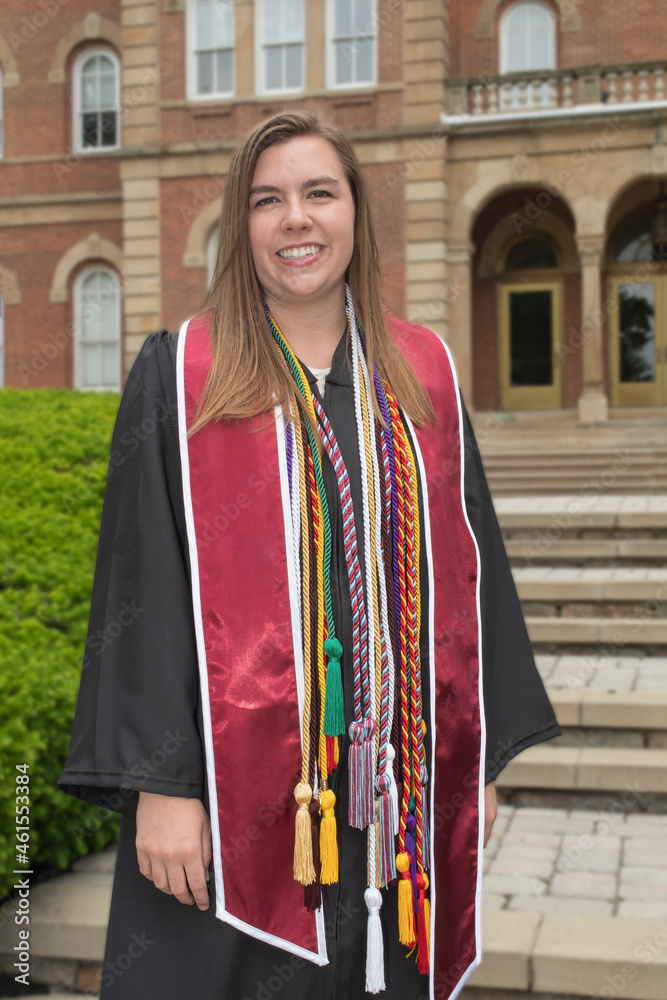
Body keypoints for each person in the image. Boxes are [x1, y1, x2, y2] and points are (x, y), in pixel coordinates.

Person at [57, 110, 561, 1000]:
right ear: (239, 227)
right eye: (267, 200)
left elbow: (470, 568)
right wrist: (162, 788)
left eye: (318, 194)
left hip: (391, 794)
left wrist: (469, 762)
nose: (296, 219)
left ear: (355, 215)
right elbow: (142, 585)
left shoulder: (421, 373)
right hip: (229, 797)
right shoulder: (184, 374)